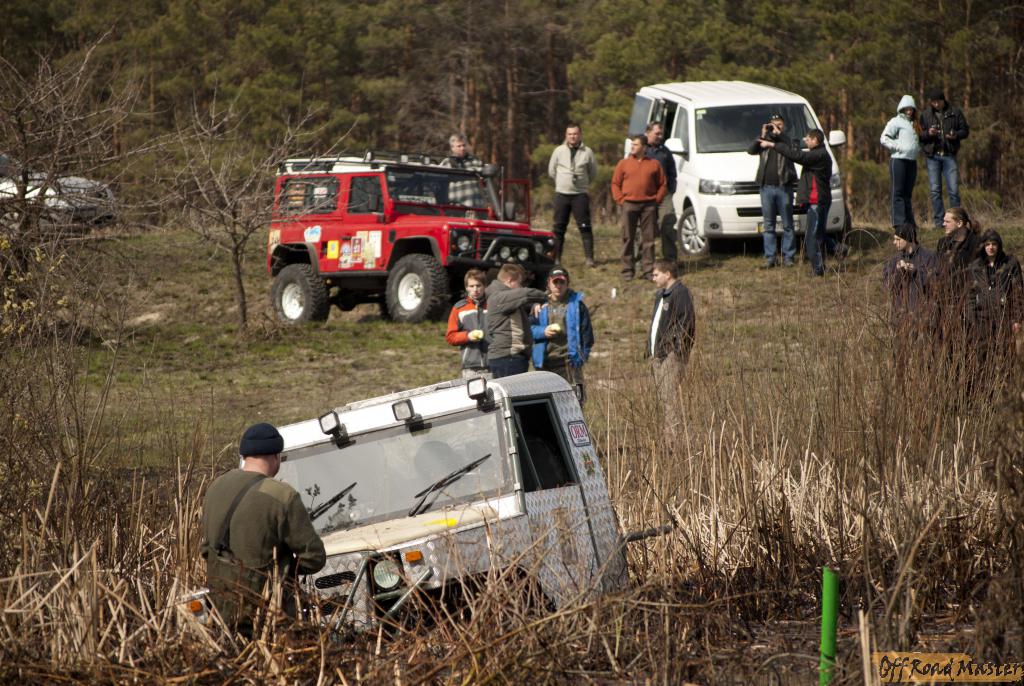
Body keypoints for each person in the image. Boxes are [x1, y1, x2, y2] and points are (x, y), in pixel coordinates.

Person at [200, 423, 326, 635]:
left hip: (220, 608)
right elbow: (314, 558)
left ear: (244, 456)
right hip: (268, 617)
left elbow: (206, 549)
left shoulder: (215, 487)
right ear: (276, 456)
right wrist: (286, 568)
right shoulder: (282, 495)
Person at [763, 128, 833, 276]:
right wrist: (781, 135)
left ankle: (818, 269)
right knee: (818, 234)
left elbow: (797, 155)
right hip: (817, 202)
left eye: (808, 139)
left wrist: (773, 145)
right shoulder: (818, 153)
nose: (805, 141)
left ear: (815, 140)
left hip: (818, 202)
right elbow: (795, 149)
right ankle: (832, 254)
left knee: (812, 238)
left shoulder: (818, 155)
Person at [646, 260, 696, 441]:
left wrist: (674, 348)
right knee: (664, 398)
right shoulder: (661, 295)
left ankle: (674, 440)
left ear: (667, 274)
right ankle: (669, 437)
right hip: (658, 355)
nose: (653, 278)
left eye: (656, 274)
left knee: (671, 397)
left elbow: (686, 321)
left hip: (671, 355)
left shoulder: (680, 292)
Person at [611, 134, 667, 281]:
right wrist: (621, 200)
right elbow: (615, 183)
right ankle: (627, 270)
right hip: (628, 204)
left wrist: (656, 200)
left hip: (648, 206)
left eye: (635, 145)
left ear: (644, 147)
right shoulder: (623, 163)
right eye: (632, 144)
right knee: (627, 237)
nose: (632, 147)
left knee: (648, 239)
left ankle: (648, 270)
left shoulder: (654, 164)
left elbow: (663, 184)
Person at [748, 114, 798, 268]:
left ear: (784, 126)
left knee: (788, 224)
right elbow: (750, 150)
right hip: (766, 188)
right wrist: (762, 134)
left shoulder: (788, 140)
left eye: (779, 124)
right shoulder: (764, 141)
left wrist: (779, 134)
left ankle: (788, 257)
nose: (776, 127)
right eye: (773, 124)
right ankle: (770, 258)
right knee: (768, 225)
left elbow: (794, 149)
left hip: (784, 187)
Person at [530, 266, 594, 386]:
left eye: (562, 282)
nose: (558, 286)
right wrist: (543, 331)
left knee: (574, 397)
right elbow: (529, 331)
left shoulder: (577, 305)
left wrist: (582, 358)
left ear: (567, 283)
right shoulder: (539, 306)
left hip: (570, 363)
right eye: (555, 282)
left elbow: (587, 334)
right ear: (548, 283)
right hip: (545, 364)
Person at [548, 123, 599, 265]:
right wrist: (562, 181)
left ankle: (589, 258)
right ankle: (556, 258)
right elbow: (551, 171)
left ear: (580, 135)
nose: (572, 137)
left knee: (585, 226)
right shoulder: (558, 151)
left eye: (575, 134)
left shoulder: (587, 152)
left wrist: (583, 184)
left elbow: (593, 172)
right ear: (566, 135)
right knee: (559, 227)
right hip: (562, 194)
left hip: (579, 195)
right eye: (570, 134)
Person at [485, 264, 548, 378]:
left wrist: (534, 304)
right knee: (511, 390)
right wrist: (547, 296)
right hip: (508, 358)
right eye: (519, 283)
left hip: (509, 358)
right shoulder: (500, 297)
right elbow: (525, 294)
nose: (520, 287)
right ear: (510, 281)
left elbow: (522, 303)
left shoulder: (505, 299)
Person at [919, 88, 970, 229]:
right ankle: (939, 222)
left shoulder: (955, 112)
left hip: (949, 155)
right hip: (932, 156)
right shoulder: (925, 115)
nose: (936, 104)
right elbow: (919, 135)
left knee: (953, 190)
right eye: (933, 102)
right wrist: (928, 133)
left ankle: (957, 221)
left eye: (938, 101)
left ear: (943, 100)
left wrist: (956, 135)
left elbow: (965, 130)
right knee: (935, 191)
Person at [968, 230, 1023, 360]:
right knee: (983, 357)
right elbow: (970, 295)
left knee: (1005, 356)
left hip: (1004, 316)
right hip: (982, 318)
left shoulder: (1010, 264)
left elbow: (1018, 293)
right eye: (987, 244)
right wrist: (972, 319)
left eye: (994, 244)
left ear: (999, 245)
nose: (991, 247)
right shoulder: (975, 267)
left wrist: (1017, 319)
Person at [882, 223, 938, 324]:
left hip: (924, 315)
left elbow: (935, 282)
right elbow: (888, 286)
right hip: (900, 316)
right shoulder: (893, 261)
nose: (894, 242)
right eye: (894, 239)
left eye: (898, 239)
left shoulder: (929, 257)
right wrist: (898, 272)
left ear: (908, 239)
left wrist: (916, 272)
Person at [879, 95, 922, 228]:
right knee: (898, 192)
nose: (909, 111)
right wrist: (898, 146)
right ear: (902, 109)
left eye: (911, 109)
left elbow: (918, 140)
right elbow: (884, 138)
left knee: (907, 193)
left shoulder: (915, 123)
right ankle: (899, 222)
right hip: (898, 160)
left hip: (912, 161)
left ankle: (910, 223)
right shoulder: (896, 121)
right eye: (906, 109)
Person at [446, 269, 489, 379]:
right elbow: (450, 337)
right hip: (471, 367)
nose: (475, 289)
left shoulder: (493, 305)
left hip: (493, 363)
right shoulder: (459, 308)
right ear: (466, 287)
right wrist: (468, 336)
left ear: (484, 286)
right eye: (471, 286)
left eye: (478, 285)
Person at [645, 121, 679, 262]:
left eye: (661, 134)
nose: (660, 136)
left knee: (668, 224)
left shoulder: (665, 151)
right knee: (645, 228)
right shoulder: (641, 149)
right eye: (657, 133)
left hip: (664, 194)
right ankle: (644, 261)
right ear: (648, 133)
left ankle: (670, 259)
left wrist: (671, 189)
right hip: (645, 195)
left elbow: (672, 172)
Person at [440, 133, 486, 210]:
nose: (462, 148)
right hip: (455, 207)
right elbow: (439, 184)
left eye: (464, 145)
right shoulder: (447, 163)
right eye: (459, 146)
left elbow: (485, 183)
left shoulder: (476, 162)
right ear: (452, 148)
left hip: (476, 206)